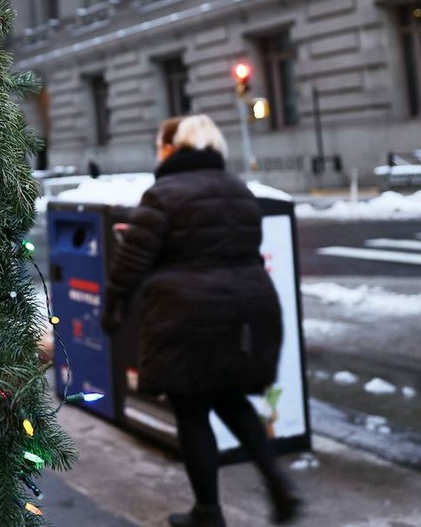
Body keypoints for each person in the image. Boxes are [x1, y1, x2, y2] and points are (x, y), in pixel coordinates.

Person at [102, 114, 301, 527]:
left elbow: (132, 260)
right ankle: (277, 482)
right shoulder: (238, 188)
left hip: (187, 312)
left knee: (191, 408)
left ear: (173, 148)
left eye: (161, 144)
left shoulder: (163, 193)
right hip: (247, 308)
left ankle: (208, 512)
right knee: (230, 396)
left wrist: (113, 303)